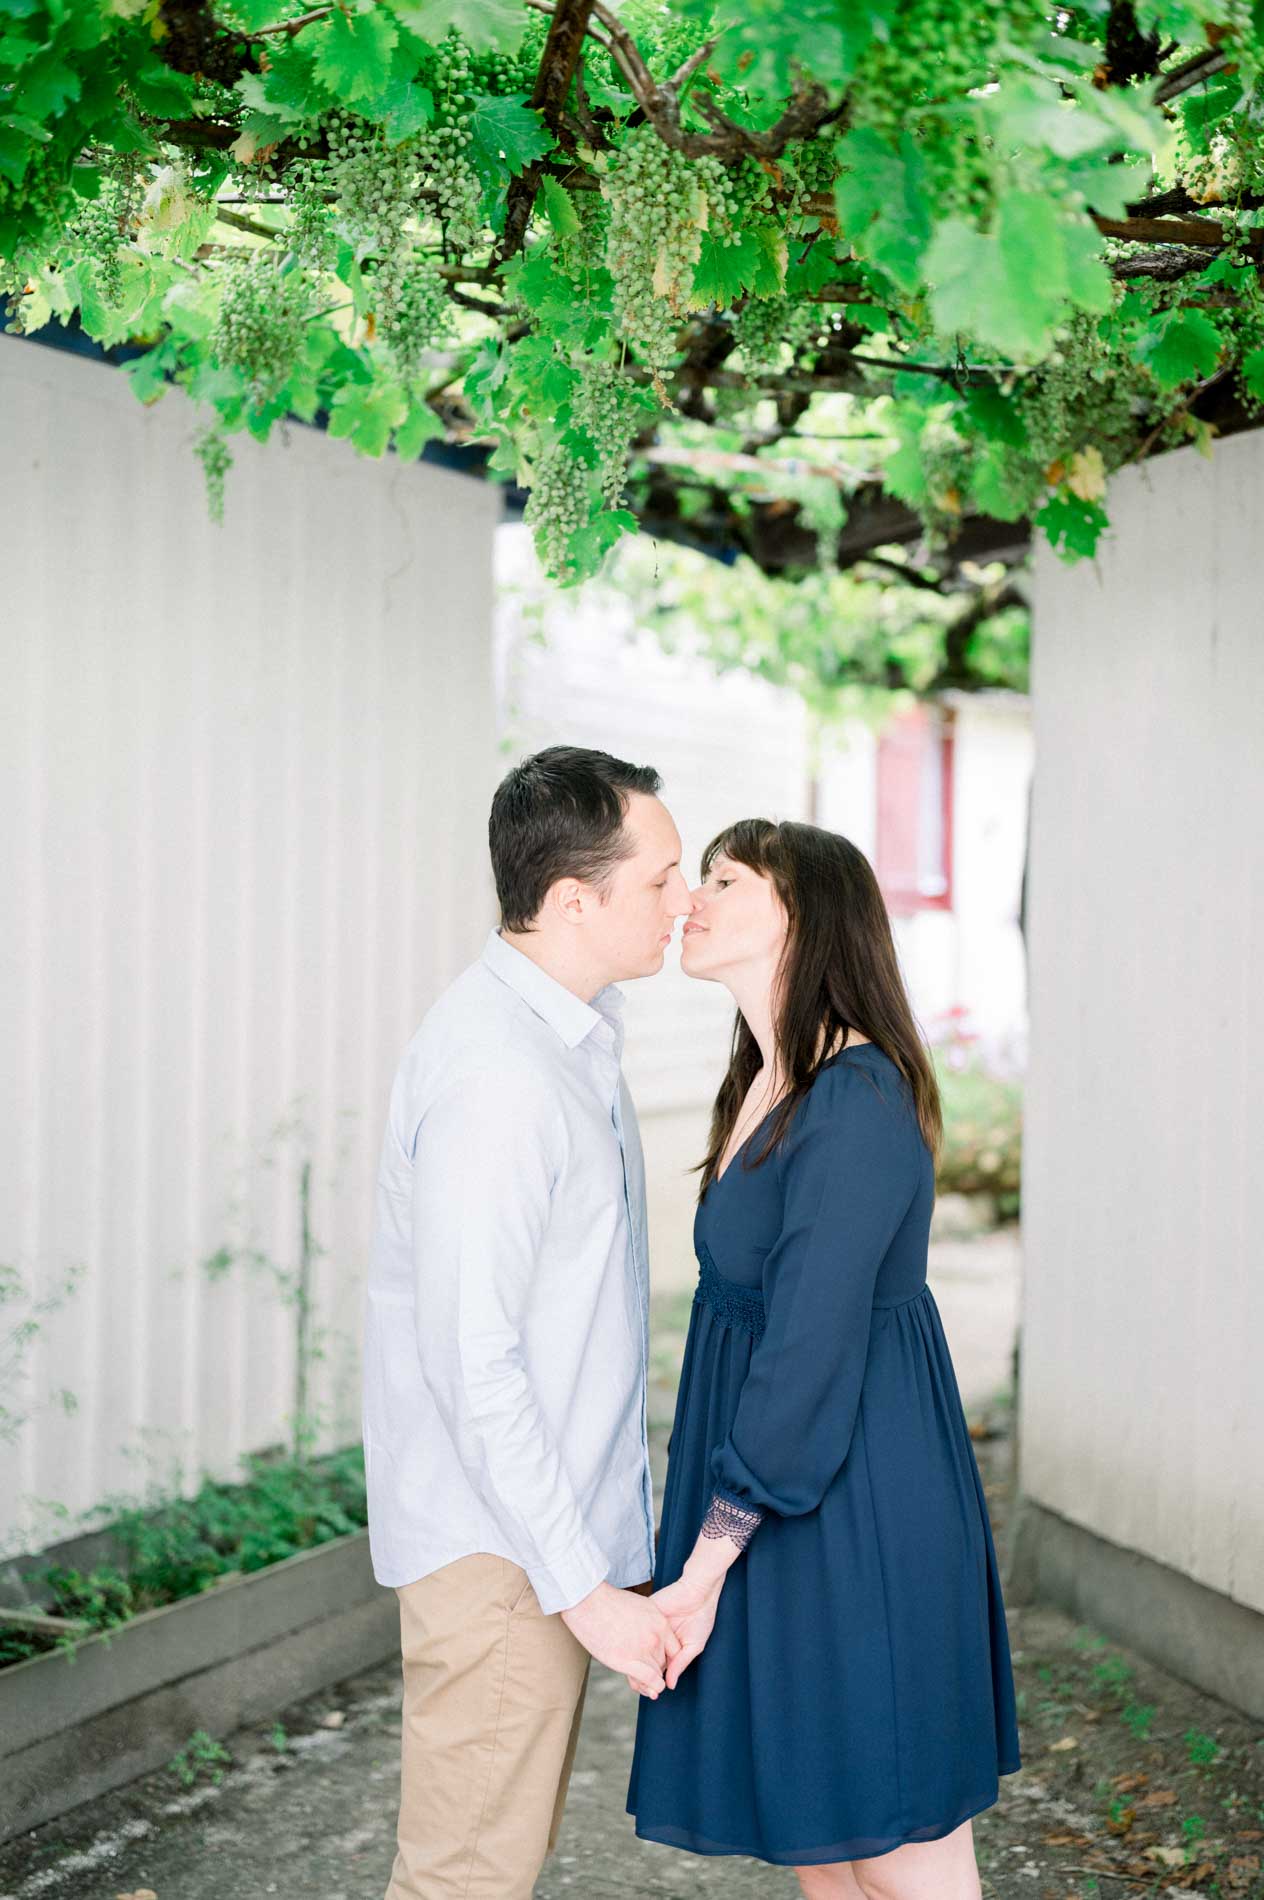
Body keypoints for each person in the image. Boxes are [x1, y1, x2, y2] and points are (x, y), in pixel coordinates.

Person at [626, 818, 1022, 1900]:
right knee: (821, 1844)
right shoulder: (762, 1078)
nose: (691, 899)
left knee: (899, 1852)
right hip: (778, 1501)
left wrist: (704, 1562)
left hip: (854, 1505)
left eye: (724, 877)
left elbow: (807, 1346)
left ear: (809, 915)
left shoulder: (853, 1099)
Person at [362, 744, 694, 1900]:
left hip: (530, 1539)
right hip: (504, 1550)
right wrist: (580, 1584)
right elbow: (472, 1357)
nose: (682, 897)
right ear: (571, 900)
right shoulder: (501, 1076)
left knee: (491, 1863)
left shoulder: (563, 1040)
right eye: (658, 877)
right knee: (465, 1877)